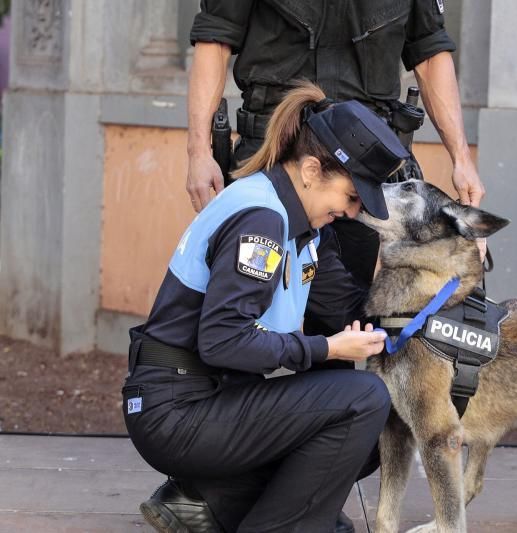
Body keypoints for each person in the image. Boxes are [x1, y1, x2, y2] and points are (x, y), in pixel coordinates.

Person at [123, 83, 409, 533]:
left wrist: (434, 302)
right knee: (361, 399)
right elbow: (221, 342)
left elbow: (355, 314)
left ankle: (208, 502)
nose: (353, 212)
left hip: (216, 399)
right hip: (177, 411)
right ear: (312, 170)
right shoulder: (262, 219)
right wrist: (326, 349)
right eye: (351, 197)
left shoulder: (308, 229)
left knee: (377, 425)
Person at [186, 0, 485, 290]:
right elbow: (216, 38)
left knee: (344, 306)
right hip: (274, 152)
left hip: (362, 170)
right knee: (248, 294)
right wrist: (198, 151)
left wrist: (461, 158)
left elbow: (429, 52)